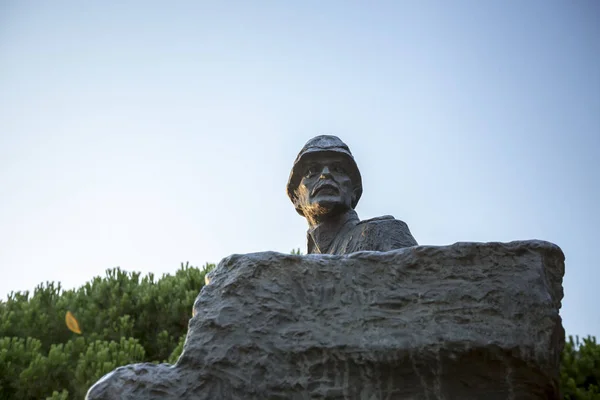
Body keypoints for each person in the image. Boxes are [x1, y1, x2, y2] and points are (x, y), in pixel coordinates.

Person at [287, 135, 418, 255]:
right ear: (296, 197)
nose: (325, 174)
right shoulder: (306, 262)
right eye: (311, 171)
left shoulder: (384, 232)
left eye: (338, 169)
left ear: (354, 192)